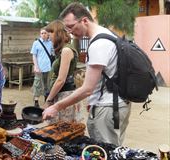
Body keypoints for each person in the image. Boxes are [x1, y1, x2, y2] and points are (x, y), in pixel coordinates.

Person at [42, 2, 131, 146]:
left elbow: (87, 89)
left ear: (84, 20)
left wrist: (56, 106)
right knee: (114, 148)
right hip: (116, 103)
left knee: (104, 151)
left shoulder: (98, 44)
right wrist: (92, 101)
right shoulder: (106, 35)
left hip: (108, 107)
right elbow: (103, 77)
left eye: (71, 26)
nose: (69, 32)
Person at [42, 20, 84, 124]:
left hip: (65, 94)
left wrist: (49, 100)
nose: (48, 36)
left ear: (58, 33)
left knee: (62, 130)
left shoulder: (66, 50)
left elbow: (61, 79)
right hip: (60, 93)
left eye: (50, 32)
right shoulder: (63, 50)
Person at [30, 28, 54, 107]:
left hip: (49, 68)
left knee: (48, 84)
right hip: (39, 68)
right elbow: (34, 55)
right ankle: (36, 101)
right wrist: (36, 66)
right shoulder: (36, 43)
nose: (43, 34)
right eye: (42, 33)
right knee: (37, 84)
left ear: (48, 34)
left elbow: (53, 54)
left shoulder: (51, 43)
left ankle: (46, 100)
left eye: (45, 33)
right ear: (40, 34)